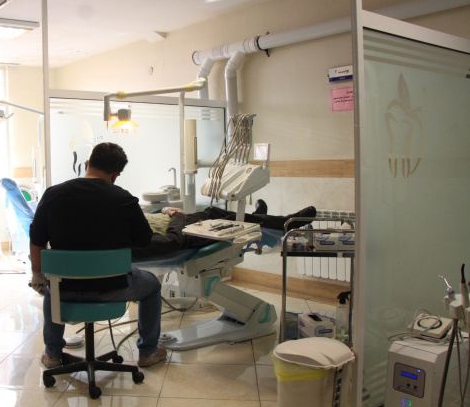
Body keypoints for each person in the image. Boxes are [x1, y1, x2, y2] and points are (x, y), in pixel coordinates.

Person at [29, 142, 168, 370]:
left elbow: (36, 239)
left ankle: (52, 354)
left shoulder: (53, 194)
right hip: (111, 289)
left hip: (65, 289)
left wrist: (37, 274)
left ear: (87, 164)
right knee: (151, 284)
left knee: (52, 284)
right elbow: (144, 241)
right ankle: (148, 352)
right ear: (116, 175)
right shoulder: (124, 199)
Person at [132, 201, 317, 260]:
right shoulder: (131, 240)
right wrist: (177, 216)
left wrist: (165, 210)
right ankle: (286, 224)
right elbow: (172, 242)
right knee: (229, 221)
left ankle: (259, 219)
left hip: (184, 223)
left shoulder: (124, 220)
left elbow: (151, 217)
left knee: (214, 211)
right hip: (187, 235)